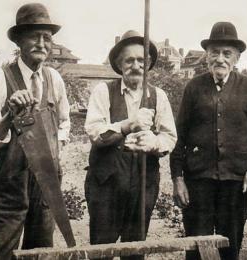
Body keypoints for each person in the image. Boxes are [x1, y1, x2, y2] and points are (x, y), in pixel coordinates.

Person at [0, 3, 70, 259]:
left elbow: (64, 122)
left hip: (46, 181)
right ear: (19, 40)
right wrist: (9, 115)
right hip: (9, 180)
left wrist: (54, 148)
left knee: (40, 251)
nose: (41, 43)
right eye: (34, 36)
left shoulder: (54, 79)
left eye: (47, 38)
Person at [170, 21, 247, 260]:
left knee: (229, 247)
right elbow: (178, 138)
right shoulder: (194, 87)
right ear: (207, 56)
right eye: (215, 52)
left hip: (235, 185)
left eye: (227, 53)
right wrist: (178, 179)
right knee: (197, 248)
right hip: (198, 183)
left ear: (236, 57)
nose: (220, 58)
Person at [84, 30, 177, 260]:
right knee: (101, 250)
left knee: (135, 250)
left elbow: (170, 137)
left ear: (149, 63)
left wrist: (153, 143)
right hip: (107, 182)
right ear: (119, 63)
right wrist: (127, 125)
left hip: (144, 181)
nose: (136, 65)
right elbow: (96, 133)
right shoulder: (103, 91)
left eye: (141, 60)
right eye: (129, 60)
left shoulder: (159, 96)